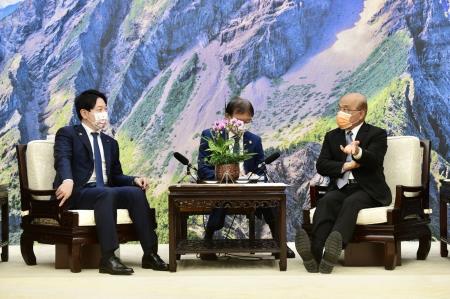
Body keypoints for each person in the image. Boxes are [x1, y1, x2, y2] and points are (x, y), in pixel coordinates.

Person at [53, 89, 168, 274]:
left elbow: (115, 177)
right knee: (107, 193)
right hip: (79, 192)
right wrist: (67, 180)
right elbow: (62, 159)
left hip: (105, 192)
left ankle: (150, 254)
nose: (104, 114)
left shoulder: (109, 142)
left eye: (105, 109)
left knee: (135, 193)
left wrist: (134, 180)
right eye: (99, 109)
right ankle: (108, 258)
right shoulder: (68, 134)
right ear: (84, 113)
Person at [295, 92, 391, 274]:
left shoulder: (377, 134)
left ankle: (334, 248)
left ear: (361, 113)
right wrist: (348, 165)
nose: (341, 113)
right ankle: (314, 253)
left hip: (368, 190)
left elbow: (375, 160)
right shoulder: (332, 136)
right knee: (327, 201)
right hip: (341, 187)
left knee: (352, 202)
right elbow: (322, 165)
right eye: (340, 108)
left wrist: (357, 152)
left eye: (346, 110)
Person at [197, 96, 295, 260]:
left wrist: (256, 176)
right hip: (220, 185)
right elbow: (203, 168)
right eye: (238, 121)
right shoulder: (210, 135)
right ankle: (208, 241)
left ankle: (279, 242)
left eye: (246, 122)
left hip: (248, 187)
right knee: (221, 196)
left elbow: (261, 167)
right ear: (227, 117)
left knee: (272, 198)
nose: (241, 126)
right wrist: (223, 176)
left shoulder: (254, 140)